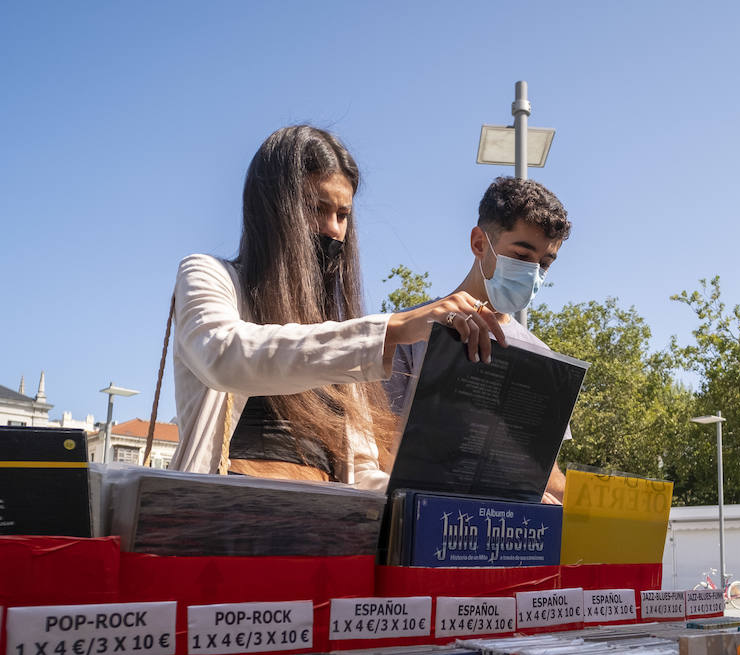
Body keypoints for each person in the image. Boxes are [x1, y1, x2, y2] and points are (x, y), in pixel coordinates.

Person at [166, 126, 505, 488]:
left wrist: (443, 490)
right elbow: (225, 355)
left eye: (342, 215)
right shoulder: (208, 275)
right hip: (222, 521)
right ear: (271, 211)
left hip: (324, 527)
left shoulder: (342, 331)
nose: (333, 229)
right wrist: (393, 328)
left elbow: (360, 473)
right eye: (316, 209)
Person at [385, 176, 572, 501]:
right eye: (522, 256)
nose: (534, 274)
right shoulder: (410, 331)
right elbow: (378, 448)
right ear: (479, 243)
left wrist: (605, 504)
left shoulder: (543, 357)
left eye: (544, 264)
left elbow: (546, 472)